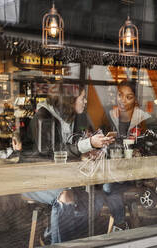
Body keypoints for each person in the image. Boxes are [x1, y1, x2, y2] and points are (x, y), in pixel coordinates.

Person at [22, 84, 114, 244]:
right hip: (32, 177)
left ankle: (52, 234)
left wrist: (88, 150)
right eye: (82, 98)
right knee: (65, 196)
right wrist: (88, 144)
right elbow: (50, 153)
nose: (85, 102)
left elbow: (71, 147)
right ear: (70, 100)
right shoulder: (44, 117)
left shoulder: (73, 118)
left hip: (59, 177)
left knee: (96, 198)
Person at [101, 81, 152, 230]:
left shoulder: (141, 119)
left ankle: (120, 223)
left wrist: (138, 151)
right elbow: (100, 141)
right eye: (120, 95)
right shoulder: (109, 116)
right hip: (113, 169)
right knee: (107, 187)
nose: (123, 100)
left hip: (133, 172)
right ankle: (120, 223)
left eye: (128, 97)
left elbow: (147, 144)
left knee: (108, 188)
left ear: (135, 99)